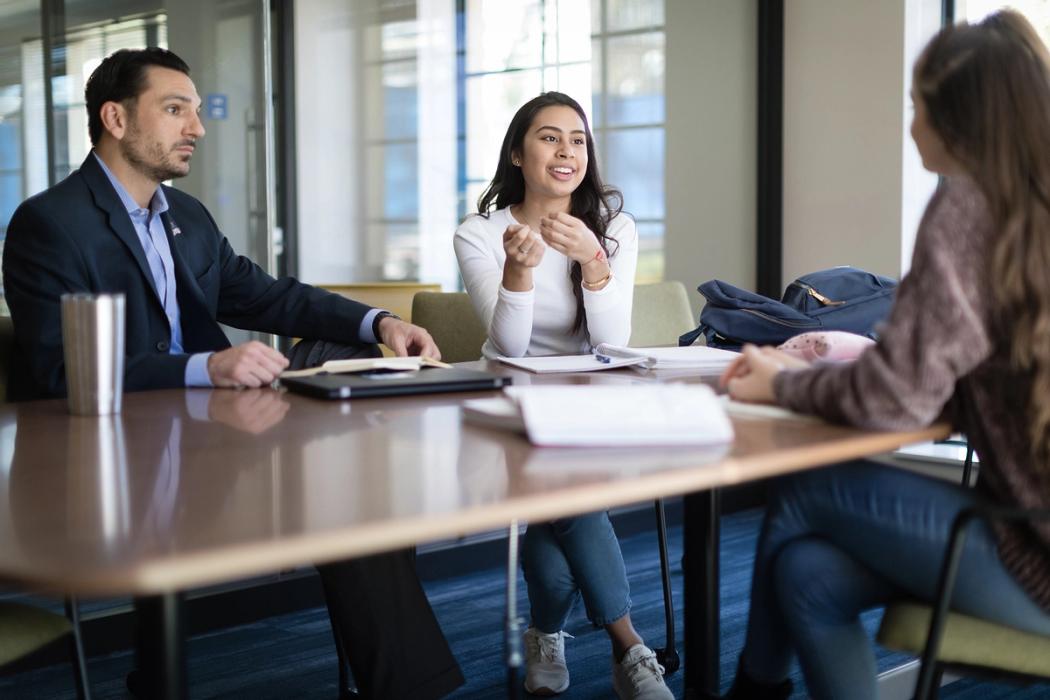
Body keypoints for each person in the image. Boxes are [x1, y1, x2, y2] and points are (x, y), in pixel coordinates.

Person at [2, 48, 463, 699]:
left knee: (359, 483)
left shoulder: (187, 217)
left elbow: (270, 297)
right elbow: (60, 371)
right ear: (114, 117)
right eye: (175, 108)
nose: (197, 125)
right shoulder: (49, 224)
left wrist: (379, 323)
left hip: (211, 438)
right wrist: (206, 366)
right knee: (346, 493)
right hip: (109, 458)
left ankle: (400, 682)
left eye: (195, 109)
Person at [718, 11, 1050, 700]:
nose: (911, 125)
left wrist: (784, 385)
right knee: (806, 573)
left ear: (955, 118)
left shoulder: (966, 210)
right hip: (1026, 532)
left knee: (806, 487)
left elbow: (898, 400)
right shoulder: (1025, 208)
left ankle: (750, 692)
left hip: (1037, 561)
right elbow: (965, 372)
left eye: (916, 107)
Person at [455, 92, 672, 700]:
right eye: (549, 138)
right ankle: (630, 646)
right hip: (512, 404)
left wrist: (594, 261)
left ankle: (545, 632)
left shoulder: (613, 227)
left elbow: (611, 340)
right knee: (576, 504)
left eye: (577, 139)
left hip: (588, 401)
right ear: (519, 154)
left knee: (561, 516)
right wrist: (518, 272)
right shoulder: (481, 232)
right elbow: (511, 345)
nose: (566, 151)